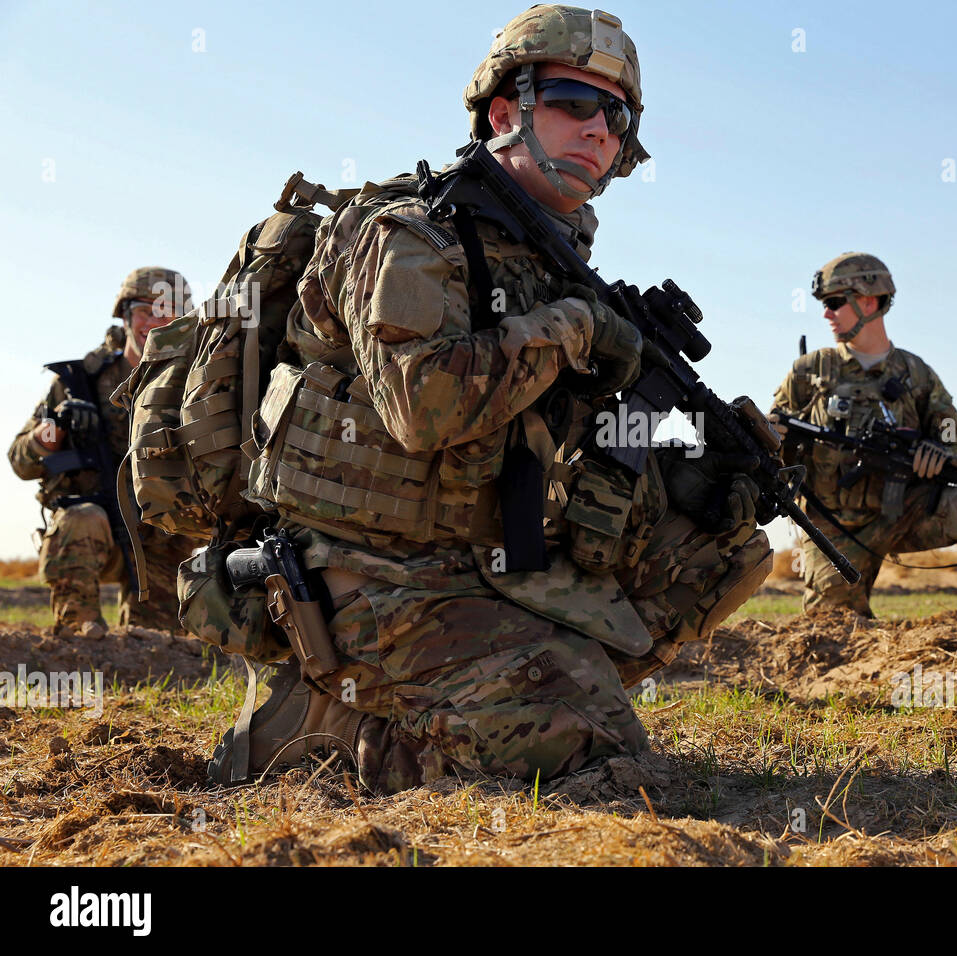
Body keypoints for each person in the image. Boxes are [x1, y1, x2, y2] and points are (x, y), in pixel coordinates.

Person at [207, 4, 772, 792]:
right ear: (505, 111)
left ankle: (497, 694)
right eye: (576, 101)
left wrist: (679, 470)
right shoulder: (413, 234)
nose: (600, 128)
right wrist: (573, 329)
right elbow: (423, 407)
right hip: (370, 570)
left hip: (482, 560)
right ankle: (337, 725)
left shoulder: (552, 263)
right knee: (602, 766)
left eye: (619, 114)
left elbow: (547, 453)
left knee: (720, 546)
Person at [770, 253, 957, 628]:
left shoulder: (916, 374)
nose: (826, 314)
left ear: (869, 301)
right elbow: (772, 445)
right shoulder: (810, 373)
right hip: (834, 526)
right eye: (825, 305)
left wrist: (940, 453)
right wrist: (773, 436)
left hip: (904, 512)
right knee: (832, 628)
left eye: (835, 303)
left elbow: (951, 438)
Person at [8, 267, 200, 635]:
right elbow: (19, 461)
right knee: (80, 517)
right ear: (126, 315)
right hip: (98, 531)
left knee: (160, 648)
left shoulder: (196, 381)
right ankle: (80, 636)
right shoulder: (80, 383)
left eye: (169, 309)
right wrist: (46, 440)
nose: (157, 320)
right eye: (146, 310)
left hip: (163, 540)